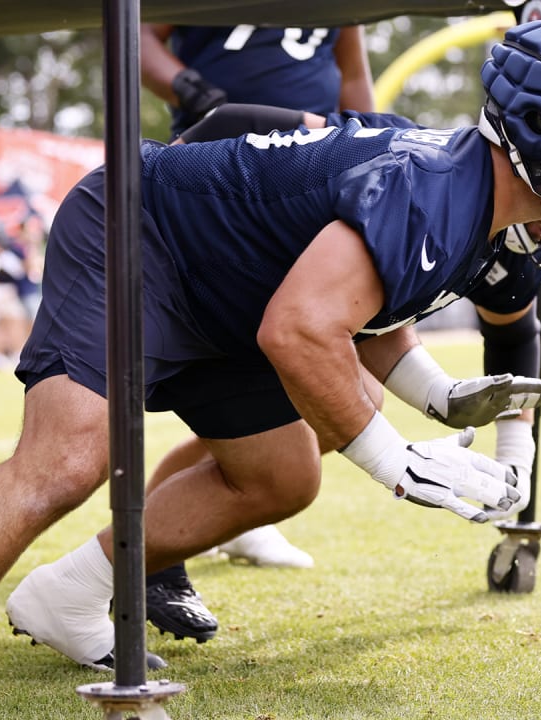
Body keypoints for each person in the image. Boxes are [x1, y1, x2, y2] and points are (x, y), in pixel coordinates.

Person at [0, 19, 541, 719]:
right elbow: (303, 330)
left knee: (280, 477)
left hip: (232, 293)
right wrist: (395, 460)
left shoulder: (494, 219)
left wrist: (462, 419)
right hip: (140, 232)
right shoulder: (430, 186)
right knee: (68, 460)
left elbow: (380, 318)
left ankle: (66, 599)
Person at [133, 20, 377, 641]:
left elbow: (352, 75)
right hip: (219, 177)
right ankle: (149, 558)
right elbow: (133, 31)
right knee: (245, 370)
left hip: (311, 184)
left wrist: (371, 152)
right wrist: (191, 89)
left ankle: (230, 507)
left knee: (350, 398)